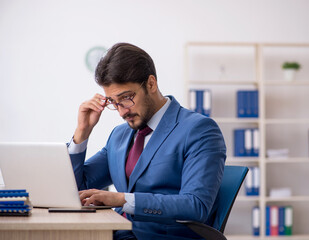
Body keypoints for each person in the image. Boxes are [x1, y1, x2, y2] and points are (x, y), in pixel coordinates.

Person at [68, 42, 226, 240]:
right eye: (114, 103)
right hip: (118, 233)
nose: (122, 111)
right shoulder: (119, 135)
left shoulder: (199, 130)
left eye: (126, 97)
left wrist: (122, 199)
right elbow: (76, 189)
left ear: (151, 84)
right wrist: (82, 132)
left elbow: (196, 205)